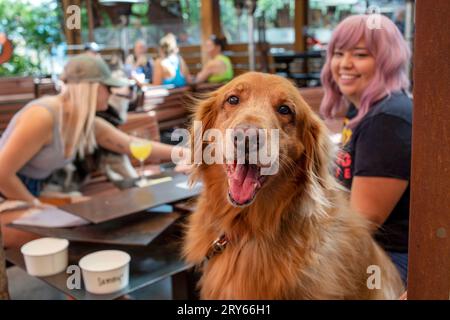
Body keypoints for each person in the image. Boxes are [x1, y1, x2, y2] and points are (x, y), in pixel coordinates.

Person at [0, 55, 187, 220]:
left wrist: (186, 153)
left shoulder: (83, 122)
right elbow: (2, 174)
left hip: (32, 192)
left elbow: (132, 144)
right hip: (7, 195)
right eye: (109, 87)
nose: (112, 93)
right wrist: (36, 205)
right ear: (94, 88)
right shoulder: (42, 116)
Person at [320, 14, 412, 285]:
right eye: (338, 53)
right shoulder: (366, 110)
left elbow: (362, 221)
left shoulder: (387, 119)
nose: (345, 64)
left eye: (360, 54)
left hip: (390, 260)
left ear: (388, 60)